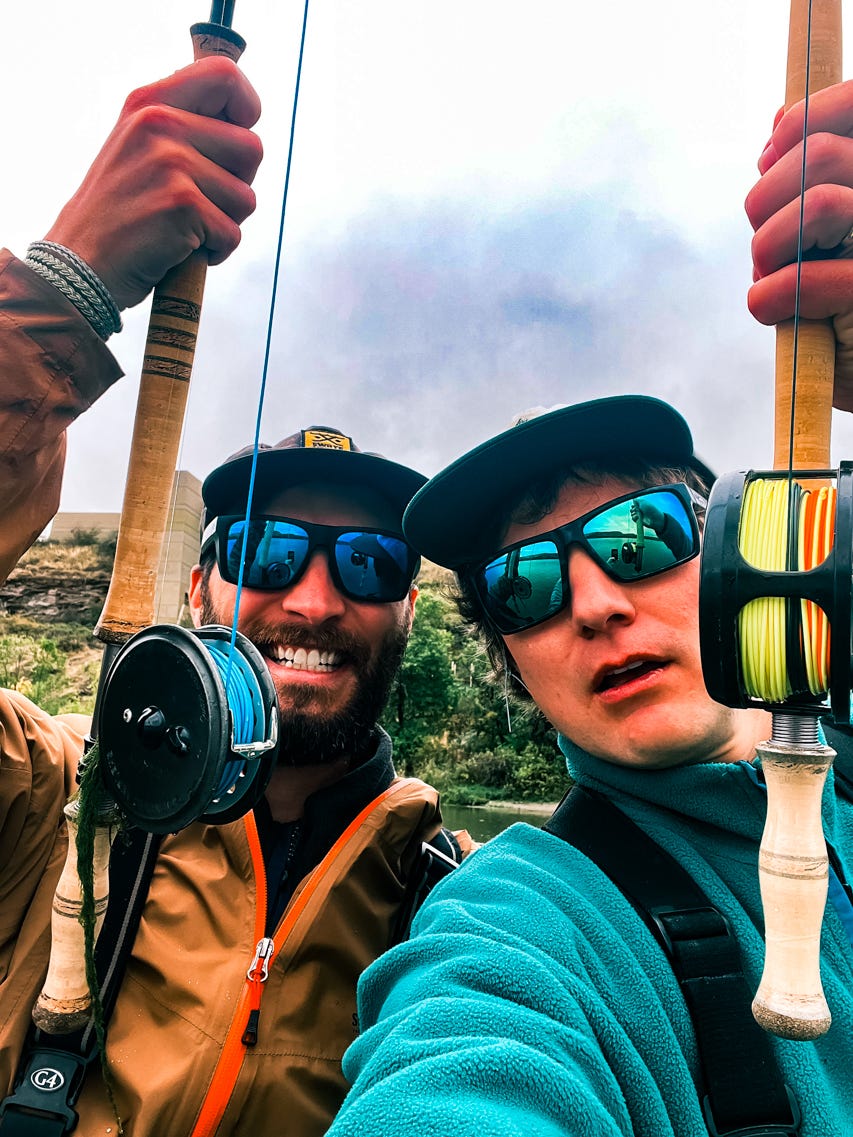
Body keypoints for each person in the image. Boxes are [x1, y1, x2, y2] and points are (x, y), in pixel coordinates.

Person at [326, 83, 853, 1136]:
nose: (596, 604)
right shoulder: (518, 925)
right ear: (514, 665)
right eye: (522, 586)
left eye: (633, 538)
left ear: (720, 550)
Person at [0, 59, 469, 1137]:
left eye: (366, 564)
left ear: (409, 608)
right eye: (265, 551)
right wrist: (62, 300)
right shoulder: (50, 803)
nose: (310, 600)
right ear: (201, 580)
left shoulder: (463, 905)